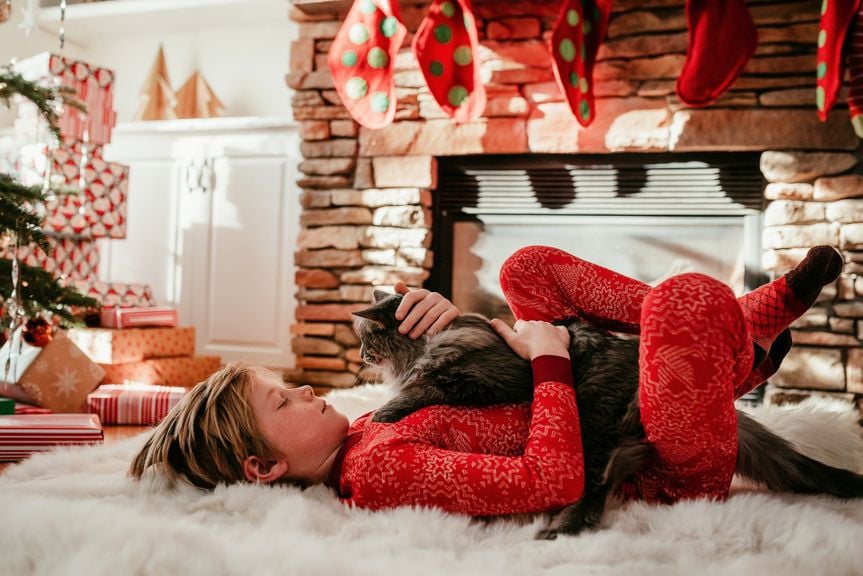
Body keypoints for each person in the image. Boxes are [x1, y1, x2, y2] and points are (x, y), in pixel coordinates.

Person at [130, 244, 843, 514]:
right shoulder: (376, 473)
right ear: (263, 466)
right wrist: (549, 358)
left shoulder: (371, 424)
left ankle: (741, 330)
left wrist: (452, 328)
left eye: (293, 383)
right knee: (686, 300)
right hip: (656, 454)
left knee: (523, 269)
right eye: (284, 400)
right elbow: (553, 480)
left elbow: (492, 387)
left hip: (615, 383)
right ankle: (740, 342)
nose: (311, 390)